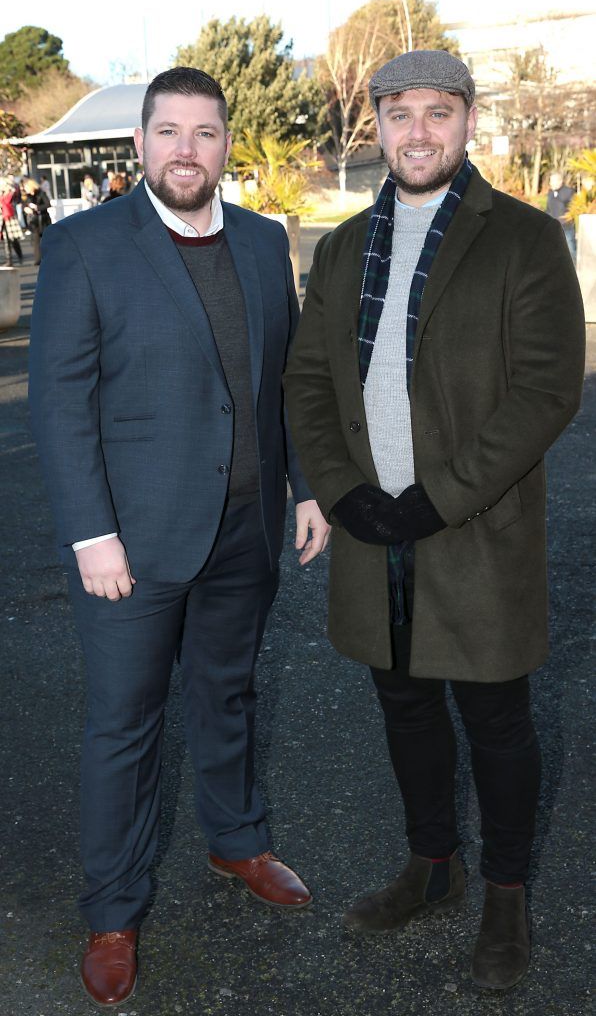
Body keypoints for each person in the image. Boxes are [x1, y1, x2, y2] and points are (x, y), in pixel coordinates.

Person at [284, 50, 585, 992]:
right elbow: (306, 382)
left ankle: (504, 897)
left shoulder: (526, 239)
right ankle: (431, 866)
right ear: (374, 123)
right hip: (375, 536)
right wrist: (341, 491)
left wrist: (442, 496)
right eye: (399, 112)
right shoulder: (342, 246)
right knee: (404, 705)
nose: (418, 131)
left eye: (438, 112)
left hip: (474, 531)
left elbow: (544, 392)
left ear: (468, 121)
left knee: (496, 720)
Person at [29, 66, 329, 1008]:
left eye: (205, 133)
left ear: (226, 145)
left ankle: (236, 840)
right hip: (133, 542)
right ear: (141, 144)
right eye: (169, 132)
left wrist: (306, 491)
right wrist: (91, 536)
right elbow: (60, 401)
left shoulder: (260, 238)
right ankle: (112, 911)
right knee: (125, 728)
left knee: (228, 695)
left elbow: (282, 380)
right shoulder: (85, 247)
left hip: (245, 529)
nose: (186, 150)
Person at [545, 171, 576, 263]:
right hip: (553, 227)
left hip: (566, 227)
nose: (550, 183)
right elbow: (548, 209)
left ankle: (573, 271)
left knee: (570, 250)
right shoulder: (550, 193)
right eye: (550, 181)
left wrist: (566, 219)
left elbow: (573, 209)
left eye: (552, 181)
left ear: (560, 181)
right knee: (554, 251)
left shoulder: (569, 192)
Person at [21, 178, 51, 264]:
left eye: (26, 187)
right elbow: (23, 205)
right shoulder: (27, 196)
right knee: (36, 240)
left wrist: (37, 207)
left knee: (46, 240)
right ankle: (37, 260)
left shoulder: (41, 193)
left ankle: (48, 257)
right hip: (34, 221)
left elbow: (48, 204)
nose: (25, 189)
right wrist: (26, 209)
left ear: (30, 186)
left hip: (44, 220)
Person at [0, 178, 24, 264]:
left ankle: (20, 255)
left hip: (10, 218)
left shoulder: (11, 193)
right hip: (2, 218)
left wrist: (8, 189)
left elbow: (9, 201)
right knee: (6, 240)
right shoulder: (2, 194)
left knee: (13, 239)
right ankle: (9, 260)